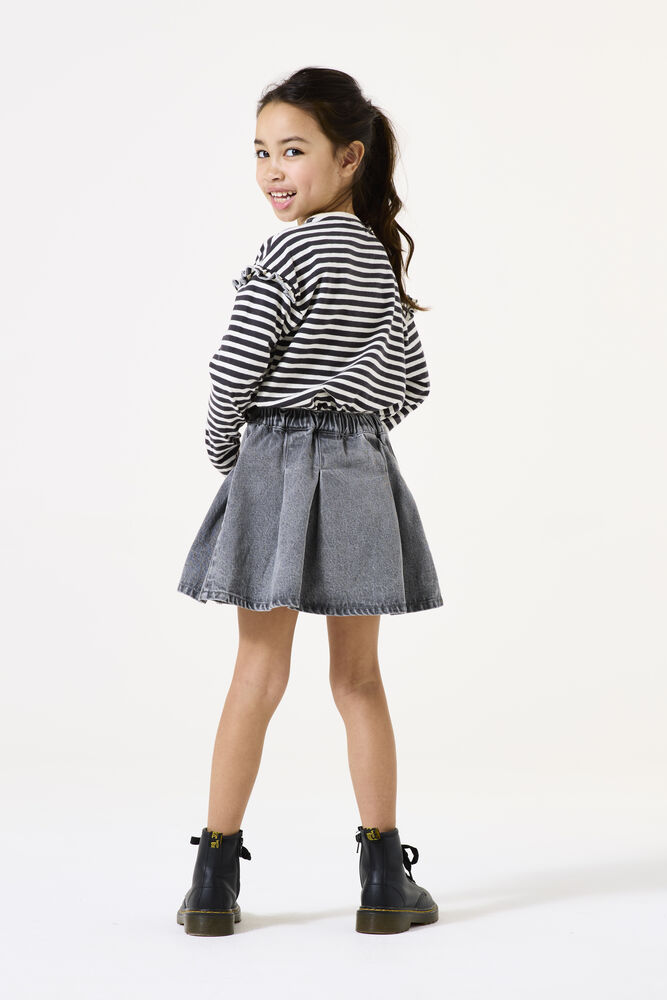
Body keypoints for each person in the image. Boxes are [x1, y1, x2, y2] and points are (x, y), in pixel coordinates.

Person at [175, 67, 443, 937]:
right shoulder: (376, 256)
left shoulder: (287, 252)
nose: (272, 171)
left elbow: (232, 369)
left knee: (257, 672)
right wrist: (353, 421)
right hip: (359, 468)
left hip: (276, 460)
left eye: (292, 151)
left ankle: (212, 880)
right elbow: (413, 380)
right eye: (261, 152)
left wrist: (228, 451)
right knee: (358, 679)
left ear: (348, 157)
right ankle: (384, 881)